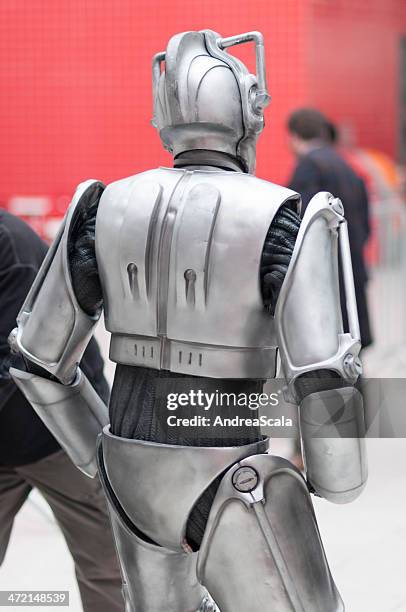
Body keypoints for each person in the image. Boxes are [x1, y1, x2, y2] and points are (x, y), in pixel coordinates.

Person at [10, 30, 367, 612]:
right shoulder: (284, 214)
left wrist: (98, 458)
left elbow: (36, 360)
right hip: (234, 466)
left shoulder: (101, 206)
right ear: (245, 114)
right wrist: (336, 477)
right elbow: (323, 373)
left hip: (130, 471)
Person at [0, 209, 124, 612]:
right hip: (5, 439)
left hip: (60, 436)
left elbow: (21, 359)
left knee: (107, 565)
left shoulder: (10, 246)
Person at [287, 107, 373, 349]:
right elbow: (366, 223)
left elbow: (298, 220)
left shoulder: (310, 166)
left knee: (327, 353)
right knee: (351, 350)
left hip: (325, 277)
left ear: (293, 135)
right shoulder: (345, 165)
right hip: (351, 267)